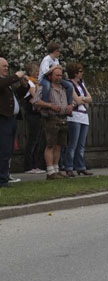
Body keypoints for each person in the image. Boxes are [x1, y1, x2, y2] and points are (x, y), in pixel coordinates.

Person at [32, 65, 73, 179]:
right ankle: (50, 171)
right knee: (50, 145)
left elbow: (71, 101)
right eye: (57, 75)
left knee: (59, 146)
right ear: (51, 76)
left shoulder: (64, 88)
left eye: (60, 75)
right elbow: (35, 101)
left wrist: (71, 106)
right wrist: (49, 105)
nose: (59, 78)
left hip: (63, 118)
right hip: (51, 118)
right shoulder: (45, 87)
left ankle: (56, 170)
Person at [0, 57, 29, 187]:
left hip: (11, 119)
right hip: (2, 119)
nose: (6, 68)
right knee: (3, 150)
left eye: (7, 66)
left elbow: (16, 96)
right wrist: (15, 76)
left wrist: (24, 86)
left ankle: (5, 176)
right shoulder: (4, 82)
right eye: (4, 66)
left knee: (8, 150)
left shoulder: (6, 82)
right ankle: (2, 180)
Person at [63, 62, 92, 177]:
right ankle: (69, 167)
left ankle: (81, 166)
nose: (82, 73)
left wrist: (82, 99)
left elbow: (90, 98)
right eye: (80, 71)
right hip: (75, 116)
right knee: (72, 144)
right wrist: (82, 99)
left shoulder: (81, 84)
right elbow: (77, 100)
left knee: (81, 145)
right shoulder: (69, 84)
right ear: (75, 73)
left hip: (84, 116)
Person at [22, 61, 45, 174]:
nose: (38, 74)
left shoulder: (36, 83)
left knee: (37, 140)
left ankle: (35, 165)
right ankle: (28, 166)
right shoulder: (30, 83)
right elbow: (35, 97)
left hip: (38, 113)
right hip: (32, 114)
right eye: (36, 72)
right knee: (32, 140)